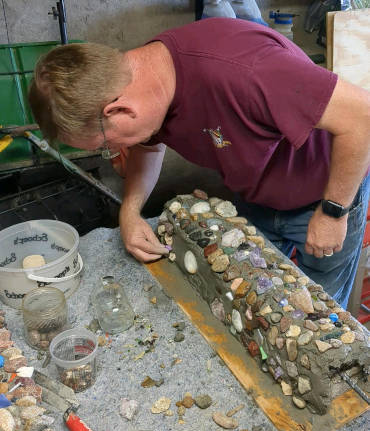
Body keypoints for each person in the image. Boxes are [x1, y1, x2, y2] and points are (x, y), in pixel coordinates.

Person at [28, 17, 370, 308]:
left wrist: (333, 212)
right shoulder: (143, 80)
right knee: (255, 298)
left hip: (324, 193)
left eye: (107, 145)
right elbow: (149, 143)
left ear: (119, 111)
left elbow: (362, 117)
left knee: (317, 314)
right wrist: (130, 212)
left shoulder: (247, 71)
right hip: (258, 191)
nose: (115, 154)